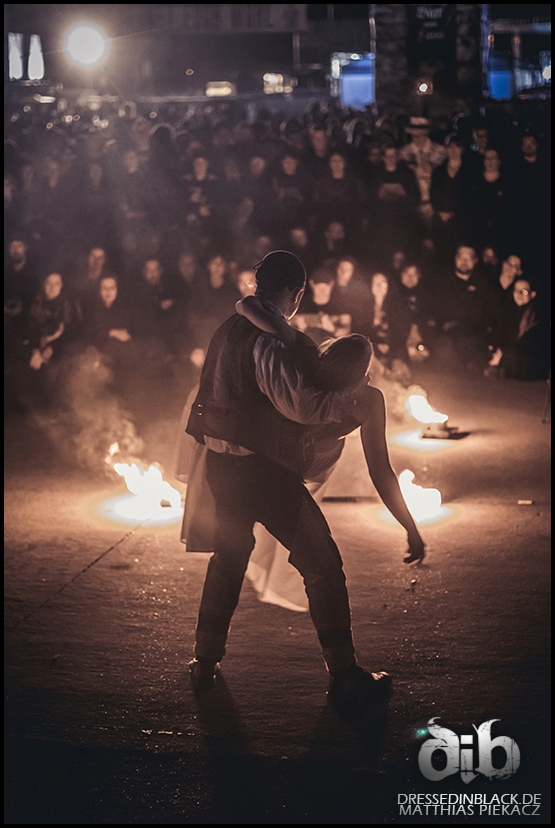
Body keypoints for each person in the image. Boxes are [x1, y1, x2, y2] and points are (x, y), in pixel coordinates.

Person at [183, 250, 424, 717]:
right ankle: (345, 676)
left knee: (228, 559)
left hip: (219, 466)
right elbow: (301, 407)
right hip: (261, 473)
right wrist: (345, 403)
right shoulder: (270, 342)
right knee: (323, 564)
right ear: (295, 294)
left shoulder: (228, 328)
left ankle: (204, 661)